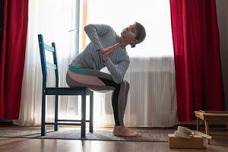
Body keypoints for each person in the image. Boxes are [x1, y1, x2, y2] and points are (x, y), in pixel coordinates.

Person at [66, 22, 146, 137]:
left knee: (124, 84)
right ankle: (120, 127)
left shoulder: (124, 58)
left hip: (88, 76)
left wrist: (106, 60)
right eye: (129, 26)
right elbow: (88, 28)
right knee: (121, 84)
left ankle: (119, 127)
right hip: (74, 73)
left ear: (133, 42)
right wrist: (101, 49)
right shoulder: (109, 31)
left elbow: (118, 78)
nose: (128, 28)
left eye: (132, 30)